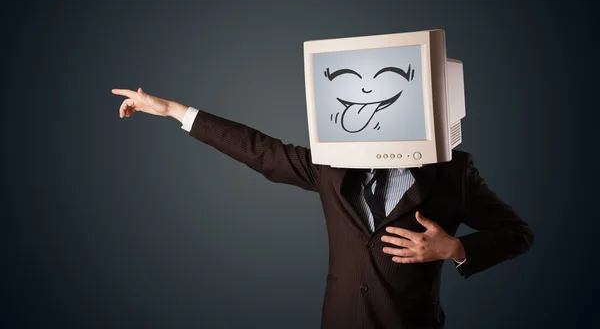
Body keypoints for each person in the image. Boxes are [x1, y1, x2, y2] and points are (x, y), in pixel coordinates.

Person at [112, 87, 534, 329]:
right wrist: (171, 110)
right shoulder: (333, 166)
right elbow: (261, 151)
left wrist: (454, 249)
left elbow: (519, 234)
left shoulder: (452, 172)